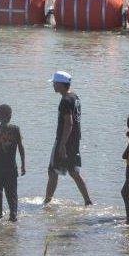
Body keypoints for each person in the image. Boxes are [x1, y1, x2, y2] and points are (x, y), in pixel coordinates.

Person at [43, 71, 92, 206]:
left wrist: (62, 145)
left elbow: (69, 123)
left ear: (60, 84)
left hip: (64, 141)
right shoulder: (75, 97)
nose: (53, 85)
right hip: (75, 141)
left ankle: (46, 202)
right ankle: (88, 201)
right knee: (73, 172)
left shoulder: (65, 101)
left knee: (53, 171)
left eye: (55, 83)